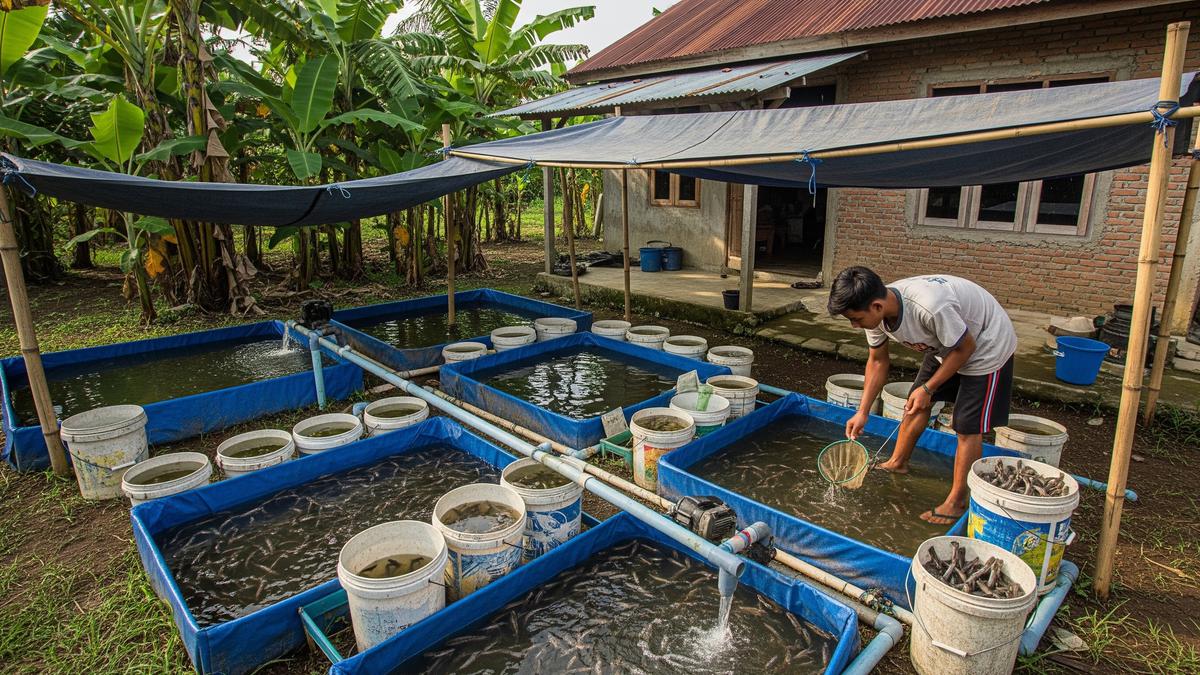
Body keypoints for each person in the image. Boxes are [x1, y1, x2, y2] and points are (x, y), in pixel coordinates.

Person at [827, 267, 1017, 525]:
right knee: (914, 404)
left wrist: (928, 388)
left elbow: (966, 347)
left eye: (857, 319)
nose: (855, 325)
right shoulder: (875, 314)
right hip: (944, 343)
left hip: (985, 344)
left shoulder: (930, 306)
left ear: (877, 306)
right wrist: (862, 411)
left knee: (965, 425)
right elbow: (878, 361)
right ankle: (897, 462)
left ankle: (958, 501)